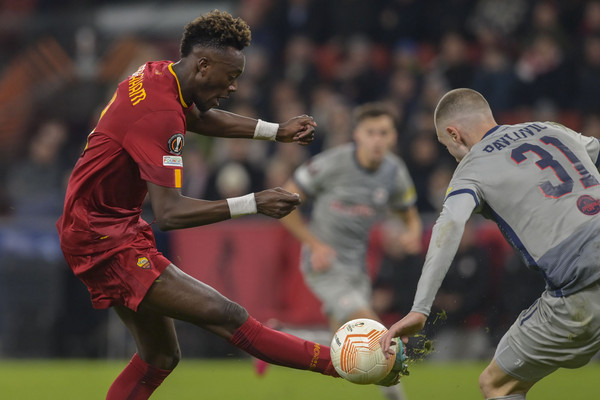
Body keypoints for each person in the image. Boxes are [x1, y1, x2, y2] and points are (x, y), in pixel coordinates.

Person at [55, 10, 392, 399]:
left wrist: (276, 132)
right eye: (230, 76)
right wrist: (255, 202)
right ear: (203, 65)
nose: (233, 87)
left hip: (105, 226)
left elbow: (197, 118)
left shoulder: (158, 74)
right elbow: (170, 213)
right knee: (227, 315)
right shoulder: (159, 114)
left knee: (161, 356)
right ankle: (344, 363)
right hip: (102, 239)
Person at [380, 88, 600, 400]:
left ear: (454, 134)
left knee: (496, 384)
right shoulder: (550, 129)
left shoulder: (472, 167)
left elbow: (449, 227)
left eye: (446, 146)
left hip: (581, 282)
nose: (452, 154)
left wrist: (420, 309)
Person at [278, 102, 423, 399]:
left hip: (357, 266)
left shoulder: (394, 172)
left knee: (342, 341)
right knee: (371, 328)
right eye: (371, 132)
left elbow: (410, 215)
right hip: (324, 262)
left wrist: (413, 233)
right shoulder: (332, 164)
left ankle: (280, 336)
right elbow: (283, 201)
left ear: (394, 136)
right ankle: (397, 395)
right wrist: (314, 244)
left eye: (383, 133)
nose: (377, 140)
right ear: (357, 134)